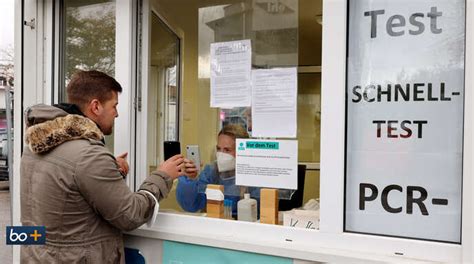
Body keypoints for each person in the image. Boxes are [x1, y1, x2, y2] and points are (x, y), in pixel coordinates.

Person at [20, 70, 184, 263]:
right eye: (114, 106)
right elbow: (130, 215)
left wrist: (108, 168)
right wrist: (162, 175)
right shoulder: (89, 156)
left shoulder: (36, 145)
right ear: (96, 106)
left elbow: (66, 189)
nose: (117, 113)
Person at [176, 124, 259, 218]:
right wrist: (190, 179)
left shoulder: (253, 174)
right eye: (218, 149)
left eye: (227, 150)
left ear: (243, 151)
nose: (221, 154)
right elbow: (191, 206)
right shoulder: (210, 172)